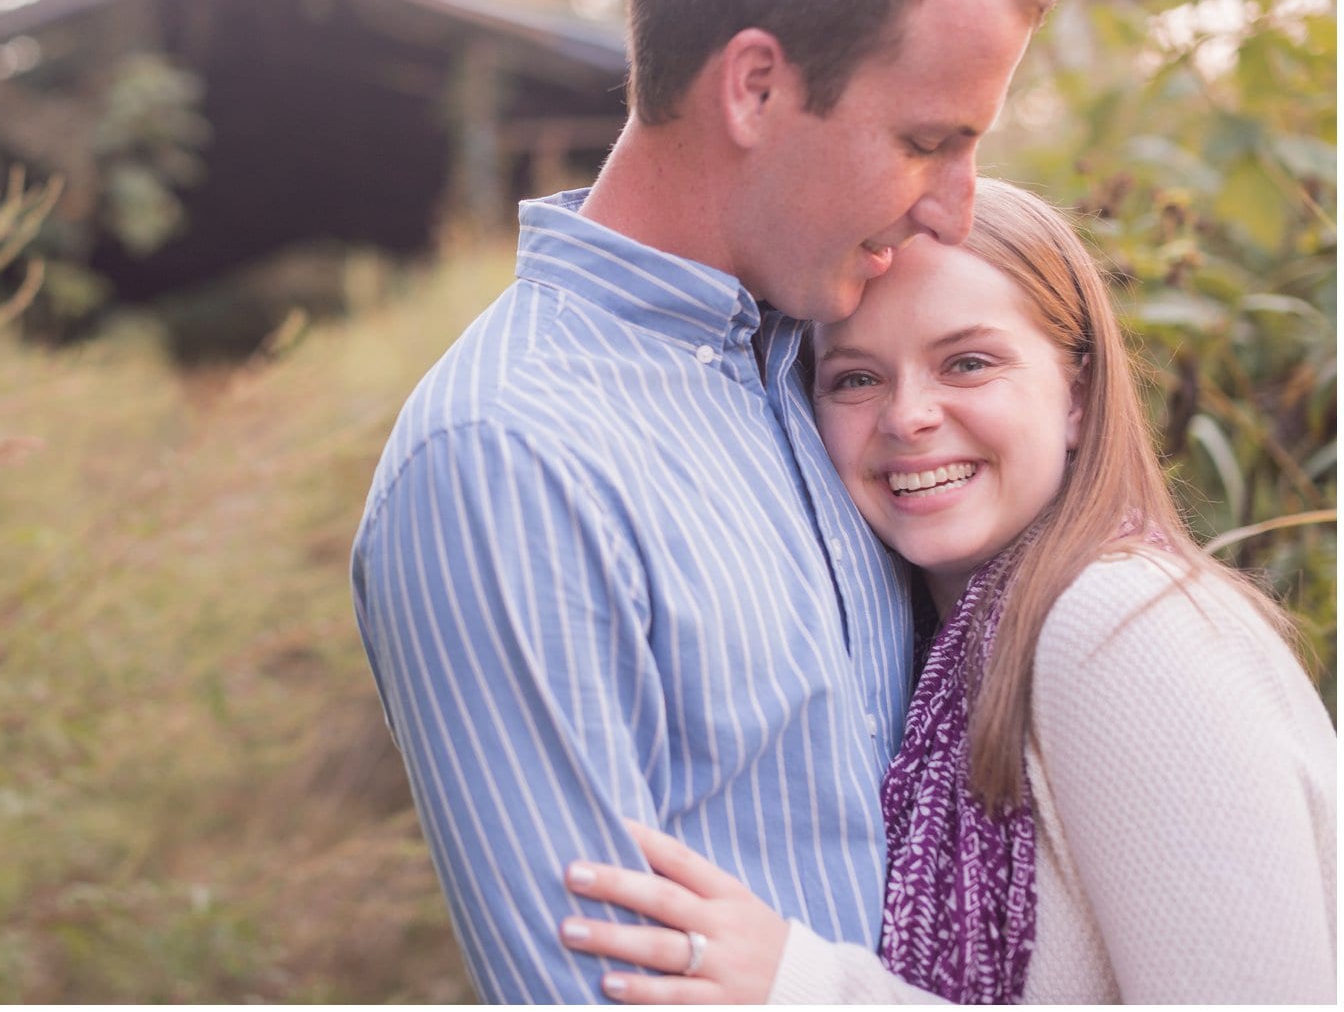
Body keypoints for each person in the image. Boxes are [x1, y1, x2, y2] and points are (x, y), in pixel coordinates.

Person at [350, 0, 1057, 1002]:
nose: (953, 205)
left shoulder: (829, 361)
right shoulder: (507, 460)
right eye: (928, 140)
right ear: (756, 88)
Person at [555, 178, 1337, 1003]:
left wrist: (807, 985)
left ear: (1076, 395)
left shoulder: (1123, 628)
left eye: (968, 361)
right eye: (855, 379)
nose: (909, 416)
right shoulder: (937, 653)